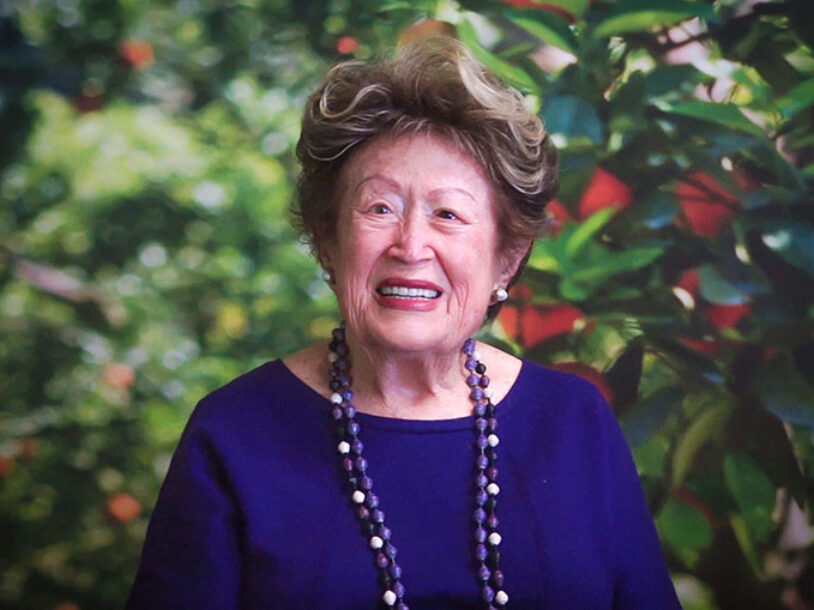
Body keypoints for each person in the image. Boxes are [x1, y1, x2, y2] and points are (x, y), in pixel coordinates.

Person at [127, 37, 681, 610]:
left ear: (507, 257)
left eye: (448, 214)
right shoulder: (234, 432)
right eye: (380, 209)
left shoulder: (573, 421)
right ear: (328, 241)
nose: (411, 245)